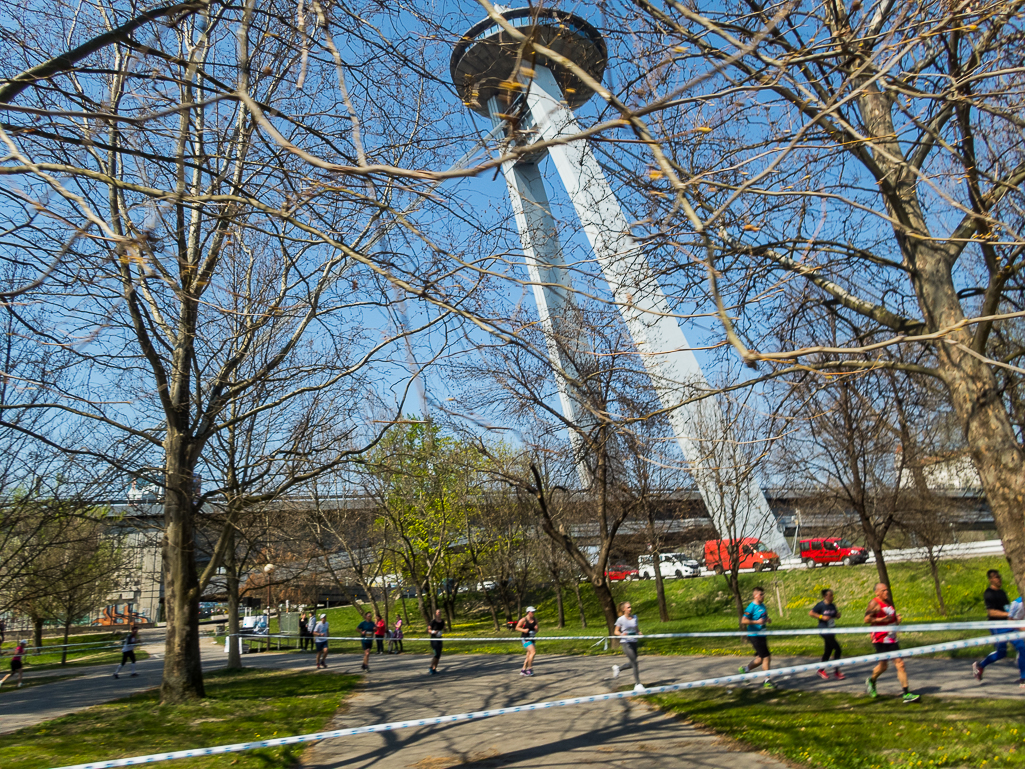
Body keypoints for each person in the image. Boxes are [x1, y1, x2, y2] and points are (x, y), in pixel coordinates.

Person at [864, 582, 919, 703]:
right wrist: (881, 619)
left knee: (900, 664)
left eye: (886, 590)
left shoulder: (888, 603)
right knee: (883, 666)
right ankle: (871, 681)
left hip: (891, 638)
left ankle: (906, 694)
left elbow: (891, 618)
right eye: (883, 591)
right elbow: (866, 619)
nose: (886, 592)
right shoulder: (874, 603)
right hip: (880, 638)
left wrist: (897, 620)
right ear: (877, 592)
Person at [972, 569, 1025, 687]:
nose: (999, 579)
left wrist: (1014, 618)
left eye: (999, 576)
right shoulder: (989, 593)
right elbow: (991, 613)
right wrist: (1009, 614)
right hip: (997, 626)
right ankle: (980, 665)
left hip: (1008, 625)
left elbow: (1008, 609)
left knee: (1022, 647)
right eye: (996, 577)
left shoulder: (1002, 593)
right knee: (1001, 653)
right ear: (990, 579)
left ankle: (1023, 678)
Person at [738, 586, 775, 689]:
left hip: (762, 635)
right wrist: (756, 622)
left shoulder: (763, 605)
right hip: (754, 636)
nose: (763, 596)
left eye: (763, 594)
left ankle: (745, 670)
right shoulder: (751, 607)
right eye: (761, 594)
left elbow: (762, 617)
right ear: (755, 595)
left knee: (760, 658)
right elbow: (743, 621)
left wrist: (767, 619)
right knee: (766, 657)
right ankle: (767, 681)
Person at [810, 588, 845, 680]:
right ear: (825, 596)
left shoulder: (832, 606)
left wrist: (837, 615)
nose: (832, 597)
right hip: (824, 630)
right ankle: (837, 671)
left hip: (831, 630)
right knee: (838, 649)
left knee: (828, 651)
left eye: (832, 595)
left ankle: (821, 670)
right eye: (830, 595)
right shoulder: (821, 605)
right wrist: (821, 616)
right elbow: (811, 613)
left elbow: (833, 616)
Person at [611, 601, 645, 692]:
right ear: (624, 609)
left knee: (632, 663)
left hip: (634, 642)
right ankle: (638, 684)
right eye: (628, 607)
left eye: (630, 607)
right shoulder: (621, 619)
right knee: (635, 662)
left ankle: (618, 668)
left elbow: (637, 629)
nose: (630, 609)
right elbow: (616, 631)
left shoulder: (635, 618)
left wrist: (640, 633)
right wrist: (622, 634)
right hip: (626, 643)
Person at [515, 606, 539, 676]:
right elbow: (517, 627)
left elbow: (537, 630)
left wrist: (536, 629)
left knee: (529, 655)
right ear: (528, 612)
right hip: (525, 639)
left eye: (534, 612)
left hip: (532, 639)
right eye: (532, 612)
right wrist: (523, 630)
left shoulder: (535, 620)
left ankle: (523, 670)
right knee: (533, 652)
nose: (533, 613)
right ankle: (530, 669)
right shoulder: (524, 620)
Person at [428, 609, 445, 675]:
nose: (439, 613)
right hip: (433, 639)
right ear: (436, 613)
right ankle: (430, 667)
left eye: (440, 612)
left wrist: (441, 632)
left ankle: (434, 668)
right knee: (436, 654)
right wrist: (433, 632)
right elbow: (428, 630)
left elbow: (443, 628)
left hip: (439, 639)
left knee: (439, 655)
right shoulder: (433, 621)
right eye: (438, 612)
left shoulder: (442, 621)